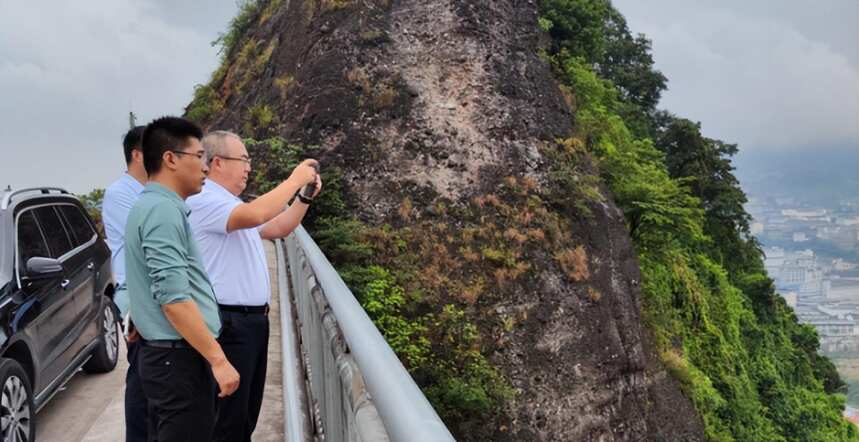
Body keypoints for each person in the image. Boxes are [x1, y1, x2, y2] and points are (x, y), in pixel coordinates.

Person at [187, 130, 320, 442]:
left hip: (251, 323)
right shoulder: (206, 200)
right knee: (227, 422)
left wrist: (304, 197)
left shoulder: (231, 204)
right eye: (244, 160)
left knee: (244, 417)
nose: (249, 167)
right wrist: (293, 179)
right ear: (217, 163)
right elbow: (260, 212)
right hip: (229, 323)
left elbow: (277, 226)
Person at [124, 116, 240, 442]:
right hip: (177, 362)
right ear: (170, 159)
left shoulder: (153, 205)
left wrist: (142, 318)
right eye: (198, 156)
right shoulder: (162, 211)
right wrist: (218, 359)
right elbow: (173, 297)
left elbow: (146, 276)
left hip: (166, 356)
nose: (205, 167)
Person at [101, 125, 149, 442]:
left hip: (151, 294)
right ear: (137, 154)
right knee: (143, 379)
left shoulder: (153, 191)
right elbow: (144, 239)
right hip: (134, 295)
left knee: (156, 377)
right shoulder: (121, 193)